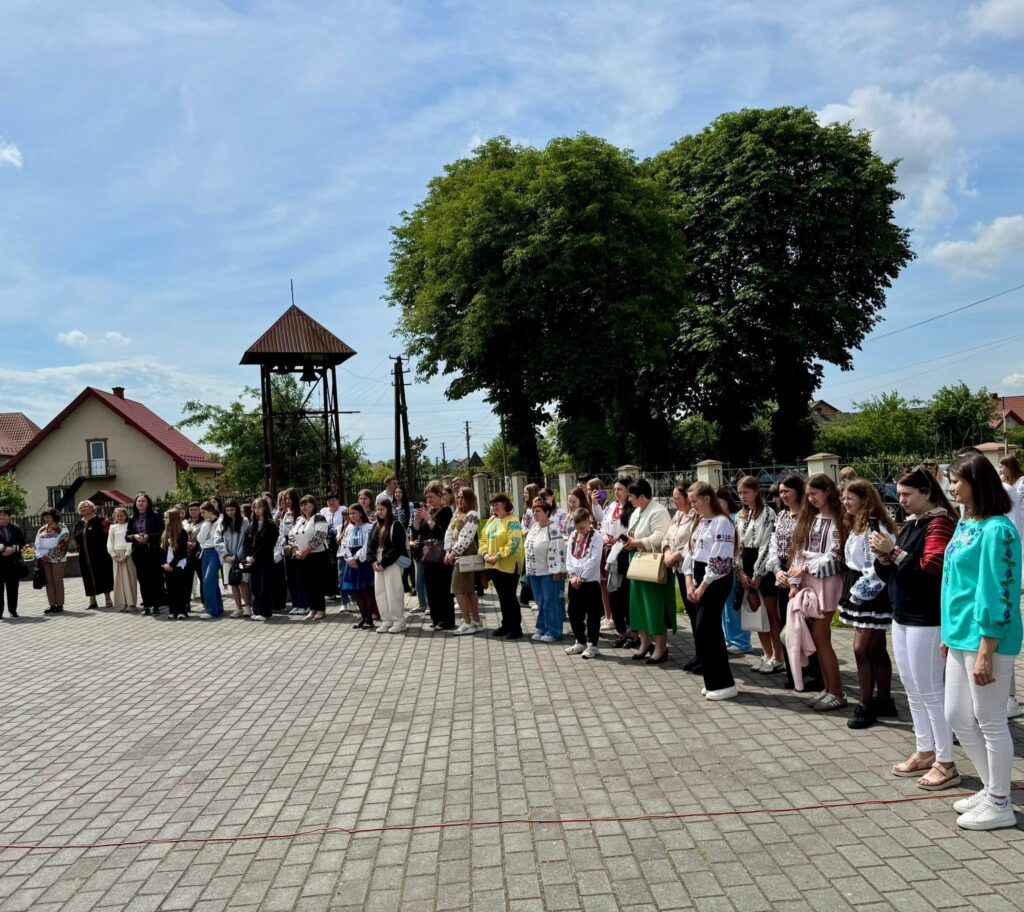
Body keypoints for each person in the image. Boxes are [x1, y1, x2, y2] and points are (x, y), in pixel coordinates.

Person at [941, 452, 1023, 830]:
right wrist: (947, 634)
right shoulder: (966, 522)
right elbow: (953, 583)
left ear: (977, 482)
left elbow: (998, 592)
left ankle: (1001, 803)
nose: (951, 487)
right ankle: (992, 788)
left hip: (987, 639)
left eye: (956, 480)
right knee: (956, 715)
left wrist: (986, 651)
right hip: (960, 635)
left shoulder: (998, 530)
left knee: (990, 720)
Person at [872, 466, 959, 790]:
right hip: (903, 614)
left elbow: (930, 571)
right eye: (900, 494)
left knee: (931, 690)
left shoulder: (940, 524)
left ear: (927, 492)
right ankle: (925, 749)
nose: (902, 500)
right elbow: (896, 574)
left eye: (907, 494)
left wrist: (892, 552)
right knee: (912, 686)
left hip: (927, 617)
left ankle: (946, 761)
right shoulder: (913, 524)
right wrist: (884, 560)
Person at [839, 480, 898, 729]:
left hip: (871, 589)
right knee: (875, 649)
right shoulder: (858, 524)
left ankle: (865, 705)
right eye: (843, 498)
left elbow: (879, 565)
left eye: (850, 498)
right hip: (861, 584)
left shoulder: (874, 526)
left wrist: (860, 592)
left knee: (861, 649)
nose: (845, 502)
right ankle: (883, 699)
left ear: (865, 499)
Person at [788, 474, 846, 711]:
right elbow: (798, 550)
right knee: (820, 637)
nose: (810, 499)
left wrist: (805, 568)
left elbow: (836, 556)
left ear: (827, 492)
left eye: (814, 494)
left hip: (827, 582)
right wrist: (794, 581)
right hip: (807, 580)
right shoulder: (810, 518)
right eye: (808, 495)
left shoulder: (840, 520)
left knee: (820, 637)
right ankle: (828, 688)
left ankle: (837, 692)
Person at [766, 474, 822, 693]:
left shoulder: (809, 517)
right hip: (782, 572)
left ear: (798, 492)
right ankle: (793, 673)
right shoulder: (781, 515)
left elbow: (805, 549)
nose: (783, 495)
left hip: (801, 575)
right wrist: (776, 570)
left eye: (787, 491)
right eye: (780, 492)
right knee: (787, 625)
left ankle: (812, 674)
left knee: (804, 624)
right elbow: (773, 544)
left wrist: (793, 578)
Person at [683, 482, 739, 699]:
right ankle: (713, 681)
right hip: (701, 578)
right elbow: (690, 552)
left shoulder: (722, 522)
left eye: (695, 501)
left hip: (716, 580)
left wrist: (704, 584)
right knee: (705, 630)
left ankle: (724, 683)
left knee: (707, 628)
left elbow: (721, 559)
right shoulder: (701, 521)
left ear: (707, 499)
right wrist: (689, 581)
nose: (693, 506)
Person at [735, 476, 783, 674]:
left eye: (746, 492)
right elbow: (737, 545)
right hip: (746, 564)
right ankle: (766, 653)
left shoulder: (768, 513)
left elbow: (767, 544)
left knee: (771, 613)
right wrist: (740, 570)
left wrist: (758, 573)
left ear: (756, 491)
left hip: (763, 567)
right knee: (755, 610)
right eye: (740, 493)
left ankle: (778, 657)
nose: (742, 496)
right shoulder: (741, 515)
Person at [624, 478, 673, 664]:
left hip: (653, 565)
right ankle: (644, 644)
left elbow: (660, 537)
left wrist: (637, 542)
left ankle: (660, 647)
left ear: (642, 496)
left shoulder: (658, 511)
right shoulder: (637, 511)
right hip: (638, 563)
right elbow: (633, 532)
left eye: (631, 496)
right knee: (639, 607)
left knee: (654, 606)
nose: (629, 499)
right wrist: (628, 541)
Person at [997, 453, 1024, 718]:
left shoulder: (1006, 490)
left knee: (1003, 630)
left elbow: (1014, 526)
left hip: (1007, 563)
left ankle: (1010, 698)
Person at [663, 485, 699, 665]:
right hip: (678, 569)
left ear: (687, 497)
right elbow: (667, 537)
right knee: (691, 613)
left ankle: (704, 654)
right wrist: (667, 553)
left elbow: (694, 542)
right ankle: (699, 653)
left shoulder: (696, 516)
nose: (674, 501)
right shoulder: (678, 515)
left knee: (697, 613)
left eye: (677, 498)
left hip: (691, 570)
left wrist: (676, 555)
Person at [481, 494, 524, 638]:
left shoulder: (513, 521)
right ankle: (506, 625)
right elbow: (483, 539)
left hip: (509, 565)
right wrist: (485, 554)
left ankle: (516, 628)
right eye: (492, 504)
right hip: (493, 565)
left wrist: (497, 556)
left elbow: (514, 543)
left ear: (505, 503)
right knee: (502, 597)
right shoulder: (492, 520)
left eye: (496, 504)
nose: (493, 507)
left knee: (509, 597)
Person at [524, 498, 566, 643]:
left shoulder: (553, 529)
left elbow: (558, 551)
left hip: (549, 572)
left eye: (538, 511)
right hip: (534, 571)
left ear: (547, 512)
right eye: (534, 511)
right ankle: (542, 628)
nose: (535, 514)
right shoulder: (534, 528)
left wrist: (557, 571)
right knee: (540, 602)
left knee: (550, 601)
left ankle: (554, 631)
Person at [564, 508, 604, 658]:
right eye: (577, 528)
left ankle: (592, 645)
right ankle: (580, 641)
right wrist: (572, 575)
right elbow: (569, 557)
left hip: (590, 580)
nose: (580, 530)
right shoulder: (573, 535)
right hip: (574, 580)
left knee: (593, 614)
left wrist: (582, 577)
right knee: (574, 612)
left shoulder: (597, 536)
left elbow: (594, 559)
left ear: (589, 521)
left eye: (582, 527)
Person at [716, 486, 750, 655]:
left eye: (719, 502)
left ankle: (741, 641)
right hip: (723, 567)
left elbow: (739, 545)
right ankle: (729, 638)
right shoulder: (719, 518)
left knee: (734, 605)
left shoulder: (736, 518)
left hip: (735, 567)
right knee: (725, 607)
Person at [417, 481, 456, 630]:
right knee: (431, 588)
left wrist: (428, 519)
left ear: (440, 496)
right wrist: (417, 520)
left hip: (441, 557)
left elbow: (443, 533)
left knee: (443, 589)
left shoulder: (446, 511)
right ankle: (436, 618)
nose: (429, 500)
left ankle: (447, 620)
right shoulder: (430, 511)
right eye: (427, 497)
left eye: (431, 497)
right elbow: (422, 532)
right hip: (428, 556)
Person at [602, 477, 635, 647]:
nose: (616, 492)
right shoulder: (611, 507)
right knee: (614, 594)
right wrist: (605, 537)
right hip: (612, 555)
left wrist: (618, 539)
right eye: (615, 489)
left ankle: (633, 633)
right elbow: (602, 526)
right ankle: (621, 631)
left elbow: (633, 533)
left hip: (625, 556)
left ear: (629, 491)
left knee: (626, 595)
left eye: (620, 489)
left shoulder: (633, 510)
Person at [367, 497, 408, 634]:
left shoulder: (396, 525)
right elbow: (370, 546)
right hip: (378, 563)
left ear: (389, 509)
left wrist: (384, 563)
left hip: (392, 563)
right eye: (378, 509)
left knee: (393, 591)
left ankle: (399, 621)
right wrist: (373, 561)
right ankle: (386, 621)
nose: (379, 512)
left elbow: (397, 548)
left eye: (382, 509)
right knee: (380, 592)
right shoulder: (375, 526)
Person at [445, 487, 483, 635]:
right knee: (468, 589)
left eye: (463, 497)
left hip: (465, 553)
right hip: (457, 553)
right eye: (458, 497)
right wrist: (447, 550)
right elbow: (449, 532)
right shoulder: (457, 513)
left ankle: (467, 622)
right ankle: (476, 621)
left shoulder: (472, 514)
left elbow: (467, 537)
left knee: (458, 589)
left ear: (469, 499)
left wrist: (453, 552)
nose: (459, 500)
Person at [289, 495, 330, 622]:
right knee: (306, 583)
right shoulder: (300, 519)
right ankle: (312, 608)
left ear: (313, 505)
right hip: (301, 556)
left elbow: (320, 536)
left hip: (317, 555)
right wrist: (296, 550)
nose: (304, 507)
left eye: (306, 504)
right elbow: (291, 536)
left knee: (317, 582)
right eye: (302, 505)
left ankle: (321, 609)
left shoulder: (318, 518)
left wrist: (306, 550)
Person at [129, 493, 165, 616]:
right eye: (138, 501)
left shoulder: (155, 515)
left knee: (154, 578)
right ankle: (146, 605)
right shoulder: (132, 517)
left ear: (148, 503)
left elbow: (161, 532)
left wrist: (148, 537)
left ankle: (156, 605)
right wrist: (134, 536)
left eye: (143, 501)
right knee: (143, 579)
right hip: (138, 552)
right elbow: (127, 535)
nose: (140, 503)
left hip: (152, 551)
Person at [341, 503, 376, 629]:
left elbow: (368, 545)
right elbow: (344, 544)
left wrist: (356, 558)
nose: (352, 516)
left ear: (361, 513)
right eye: (350, 513)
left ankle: (369, 619)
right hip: (352, 561)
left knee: (366, 591)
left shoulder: (369, 527)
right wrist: (348, 558)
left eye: (354, 513)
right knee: (356, 592)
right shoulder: (349, 528)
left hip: (363, 561)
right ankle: (363, 617)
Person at [73, 500, 113, 609]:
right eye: (81, 507)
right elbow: (76, 538)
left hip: (101, 554)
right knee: (87, 576)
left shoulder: (102, 521)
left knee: (103, 575)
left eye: (85, 507)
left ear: (92, 508)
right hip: (84, 555)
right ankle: (92, 601)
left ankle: (108, 599)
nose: (83, 509)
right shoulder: (78, 524)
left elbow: (109, 536)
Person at [244, 497, 279, 621]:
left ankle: (265, 612)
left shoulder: (271, 525)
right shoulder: (252, 525)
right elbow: (246, 543)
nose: (257, 510)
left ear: (265, 508)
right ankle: (257, 610)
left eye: (259, 507)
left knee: (265, 586)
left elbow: (267, 544)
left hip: (265, 560)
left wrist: (254, 556)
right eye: (255, 507)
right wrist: (247, 556)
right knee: (255, 586)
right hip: (253, 561)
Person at [276, 489, 309, 616]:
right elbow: (281, 532)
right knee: (291, 578)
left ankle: (304, 604)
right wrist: (283, 546)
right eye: (285, 499)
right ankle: (296, 604)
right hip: (287, 548)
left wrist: (293, 546)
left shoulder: (300, 513)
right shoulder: (284, 513)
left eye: (289, 498)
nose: (287, 501)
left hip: (298, 546)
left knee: (300, 577)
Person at [35, 508, 70, 614]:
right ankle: (52, 605)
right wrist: (40, 555)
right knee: (49, 582)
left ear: (54, 516)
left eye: (48, 517)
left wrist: (50, 556)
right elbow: (37, 544)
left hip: (58, 558)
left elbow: (63, 543)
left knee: (57, 580)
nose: (46, 519)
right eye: (44, 517)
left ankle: (59, 604)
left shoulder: (62, 527)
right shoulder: (41, 529)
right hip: (44, 558)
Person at [221, 499, 251, 617]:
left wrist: (237, 556)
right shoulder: (223, 522)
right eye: (227, 510)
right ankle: (238, 608)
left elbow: (245, 540)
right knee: (233, 582)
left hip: (240, 557)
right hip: (227, 558)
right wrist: (226, 555)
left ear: (237, 509)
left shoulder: (244, 521)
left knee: (242, 582)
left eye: (232, 509)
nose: (230, 512)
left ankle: (247, 607)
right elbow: (218, 540)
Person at [196, 501, 225, 620]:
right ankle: (218, 608)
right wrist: (206, 525)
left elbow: (220, 539)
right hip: (205, 552)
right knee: (209, 581)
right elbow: (200, 540)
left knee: (208, 581)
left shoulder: (220, 522)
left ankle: (211, 610)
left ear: (210, 511)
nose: (202, 515)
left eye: (203, 512)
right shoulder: (205, 524)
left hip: (215, 552)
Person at [106, 506, 137, 612]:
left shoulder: (130, 525)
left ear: (125, 516)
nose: (119, 517)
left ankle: (131, 604)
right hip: (116, 555)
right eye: (117, 516)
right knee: (119, 580)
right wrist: (113, 555)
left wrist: (127, 554)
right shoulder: (112, 527)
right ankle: (123, 603)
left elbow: (131, 541)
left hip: (127, 554)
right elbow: (110, 542)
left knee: (129, 578)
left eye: (121, 516)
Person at [161, 507, 190, 619]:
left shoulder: (182, 533)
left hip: (178, 565)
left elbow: (181, 552)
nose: (164, 519)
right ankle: (172, 610)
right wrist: (164, 564)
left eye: (166, 517)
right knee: (170, 588)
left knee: (179, 588)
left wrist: (171, 564)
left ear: (173, 519)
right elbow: (163, 551)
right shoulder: (165, 533)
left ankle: (182, 611)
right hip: (167, 566)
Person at [0, 506, 26, 618]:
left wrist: (14, 548)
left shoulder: (16, 528)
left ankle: (13, 610)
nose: (2, 517)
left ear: (9, 517)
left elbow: (22, 542)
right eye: (0, 515)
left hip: (13, 563)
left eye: (4, 515)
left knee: (13, 588)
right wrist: (2, 549)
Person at [320, 491, 345, 600]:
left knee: (338, 565)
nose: (331, 503)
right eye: (329, 501)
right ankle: (330, 591)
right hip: (327, 541)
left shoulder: (343, 510)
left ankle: (340, 589)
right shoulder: (323, 511)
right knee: (328, 566)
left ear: (338, 500)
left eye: (333, 500)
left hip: (339, 539)